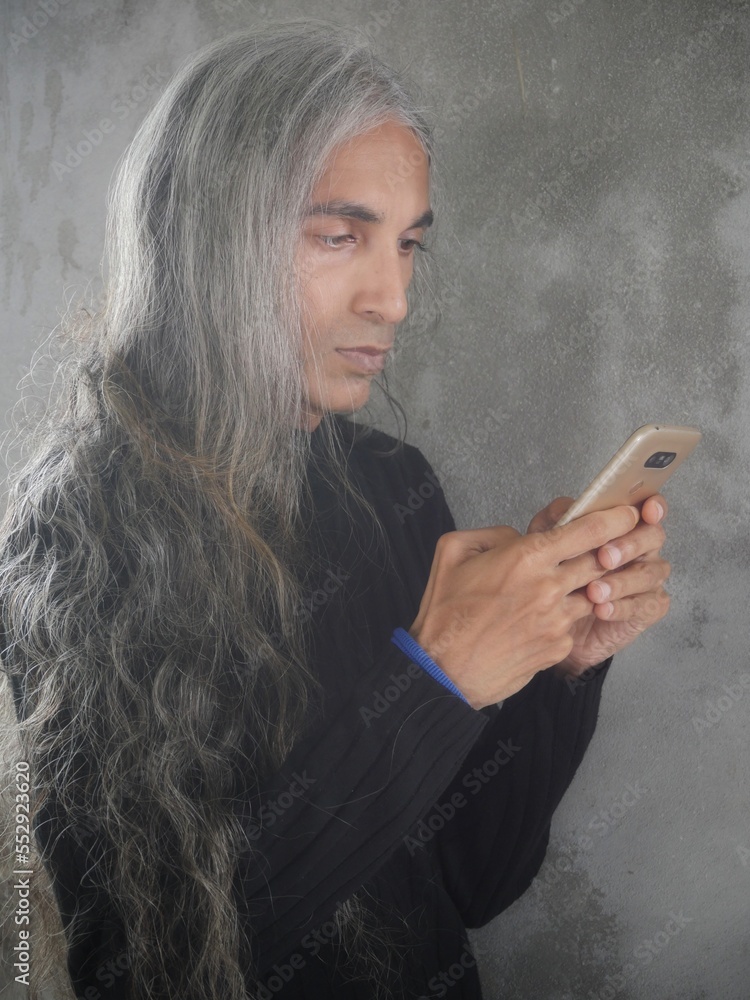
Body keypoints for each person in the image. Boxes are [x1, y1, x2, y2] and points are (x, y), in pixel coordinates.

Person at [0, 19, 671, 1000]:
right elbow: (146, 973)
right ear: (210, 236)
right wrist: (436, 678)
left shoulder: (394, 483)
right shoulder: (75, 532)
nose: (393, 297)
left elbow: (474, 883)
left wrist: (556, 666)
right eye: (339, 235)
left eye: (408, 244)